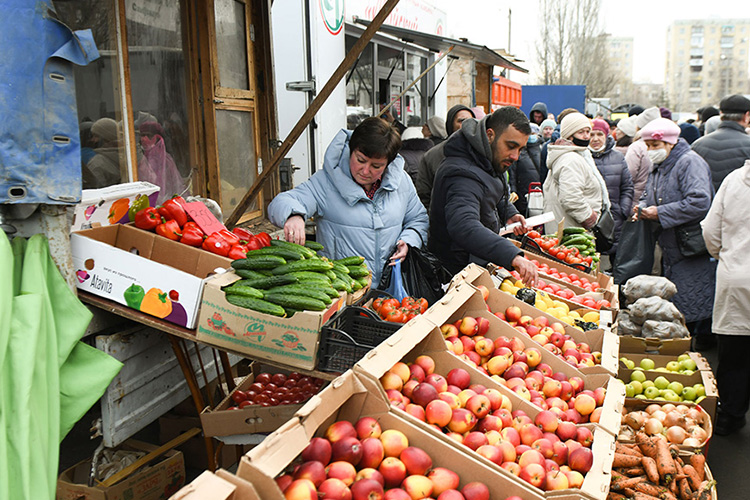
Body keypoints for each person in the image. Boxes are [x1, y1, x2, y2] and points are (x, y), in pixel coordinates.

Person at [268, 117, 428, 285]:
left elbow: (418, 219)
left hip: (391, 288)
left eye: (376, 166)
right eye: (360, 160)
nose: (365, 171)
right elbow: (282, 201)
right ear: (351, 151)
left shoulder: (401, 181)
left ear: (388, 164)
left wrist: (409, 241)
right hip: (344, 289)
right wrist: (294, 215)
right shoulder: (326, 182)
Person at [428, 107, 537, 285]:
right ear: (489, 135)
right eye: (511, 146)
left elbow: (491, 188)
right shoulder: (462, 173)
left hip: (475, 262)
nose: (515, 156)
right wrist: (512, 255)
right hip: (455, 274)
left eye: (520, 149)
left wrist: (508, 212)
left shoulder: (486, 157)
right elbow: (464, 225)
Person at [636, 118, 716, 351]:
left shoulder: (689, 163)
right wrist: (642, 206)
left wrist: (658, 212)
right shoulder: (661, 166)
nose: (651, 150)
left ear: (670, 143)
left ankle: (691, 352)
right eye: (648, 145)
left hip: (688, 246)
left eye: (655, 145)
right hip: (670, 246)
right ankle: (679, 348)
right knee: (677, 300)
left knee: (689, 301)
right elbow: (653, 194)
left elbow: (700, 201)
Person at [701, 159, 750, 435]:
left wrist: (725, 256)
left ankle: (731, 416)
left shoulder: (734, 180)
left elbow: (710, 230)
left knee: (733, 354)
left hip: (736, 277)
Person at [542, 113, 610, 235]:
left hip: (571, 227)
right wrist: (590, 218)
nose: (586, 136)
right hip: (573, 230)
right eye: (580, 132)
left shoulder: (576, 155)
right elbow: (571, 197)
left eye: (588, 131)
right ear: (569, 135)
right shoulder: (570, 159)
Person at [589, 119, 634, 265]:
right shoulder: (582, 158)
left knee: (616, 261)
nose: (595, 139)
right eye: (592, 134)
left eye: (600, 134)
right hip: (590, 218)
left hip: (615, 218)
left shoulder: (618, 157)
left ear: (606, 135)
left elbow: (627, 186)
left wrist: (623, 210)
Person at [415, 105, 475, 209]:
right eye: (461, 120)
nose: (467, 124)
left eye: (471, 120)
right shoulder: (432, 156)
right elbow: (423, 194)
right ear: (450, 125)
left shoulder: (484, 153)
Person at [692, 94, 750, 191]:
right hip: (740, 203)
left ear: (721, 114)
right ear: (746, 116)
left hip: (706, 203)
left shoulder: (697, 145)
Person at [138, 121, 187, 204]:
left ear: (157, 137)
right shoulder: (140, 157)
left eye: (148, 135)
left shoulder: (166, 160)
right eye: (142, 135)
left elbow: (175, 184)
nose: (144, 139)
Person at [625, 106, 660, 202]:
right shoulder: (666, 146)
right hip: (658, 200)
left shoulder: (637, 147)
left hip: (637, 200)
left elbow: (629, 175)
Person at [510, 123, 542, 216]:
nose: (531, 136)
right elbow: (512, 174)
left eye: (533, 134)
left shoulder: (541, 149)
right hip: (522, 193)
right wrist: (513, 190)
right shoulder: (518, 151)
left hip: (538, 194)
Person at [83, 117, 123, 189]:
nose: (93, 140)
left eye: (96, 136)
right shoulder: (130, 155)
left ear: (106, 138)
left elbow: (94, 190)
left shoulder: (97, 162)